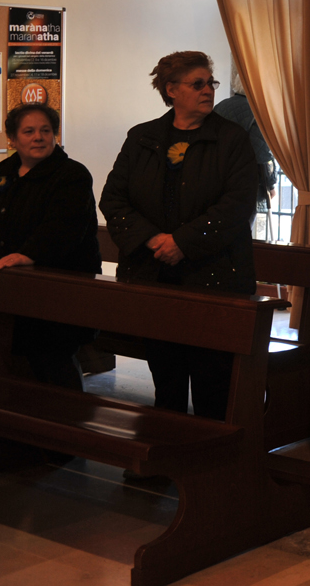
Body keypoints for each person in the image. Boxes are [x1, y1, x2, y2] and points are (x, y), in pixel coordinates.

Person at [100, 51, 257, 421]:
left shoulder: (231, 139)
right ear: (171, 90)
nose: (208, 90)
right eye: (197, 84)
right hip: (154, 272)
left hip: (213, 275)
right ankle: (165, 445)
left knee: (211, 380)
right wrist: (154, 240)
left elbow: (236, 205)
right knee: (166, 376)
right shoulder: (142, 138)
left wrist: (182, 243)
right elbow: (113, 199)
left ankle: (210, 450)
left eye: (210, 83)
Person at [0, 103, 99, 389]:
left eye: (45, 131)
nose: (38, 137)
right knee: (5, 368)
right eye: (28, 131)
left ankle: (66, 415)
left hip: (57, 290)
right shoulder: (3, 172)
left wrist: (29, 254)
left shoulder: (72, 175)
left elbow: (64, 228)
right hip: (6, 291)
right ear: (13, 139)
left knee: (52, 367)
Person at [213, 69, 278, 217]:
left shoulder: (220, 106)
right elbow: (262, 154)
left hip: (219, 177)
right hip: (246, 181)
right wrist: (271, 184)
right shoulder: (257, 111)